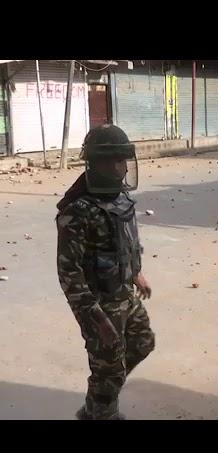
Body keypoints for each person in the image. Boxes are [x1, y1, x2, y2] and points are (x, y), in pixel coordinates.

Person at [56, 124, 155, 420]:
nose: (119, 168)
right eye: (111, 160)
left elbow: (126, 240)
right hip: (98, 304)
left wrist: (136, 272)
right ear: (94, 163)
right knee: (108, 367)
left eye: (122, 160)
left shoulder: (121, 197)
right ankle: (100, 410)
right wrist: (95, 318)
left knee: (142, 342)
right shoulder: (77, 210)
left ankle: (99, 398)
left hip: (124, 292)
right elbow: (68, 274)